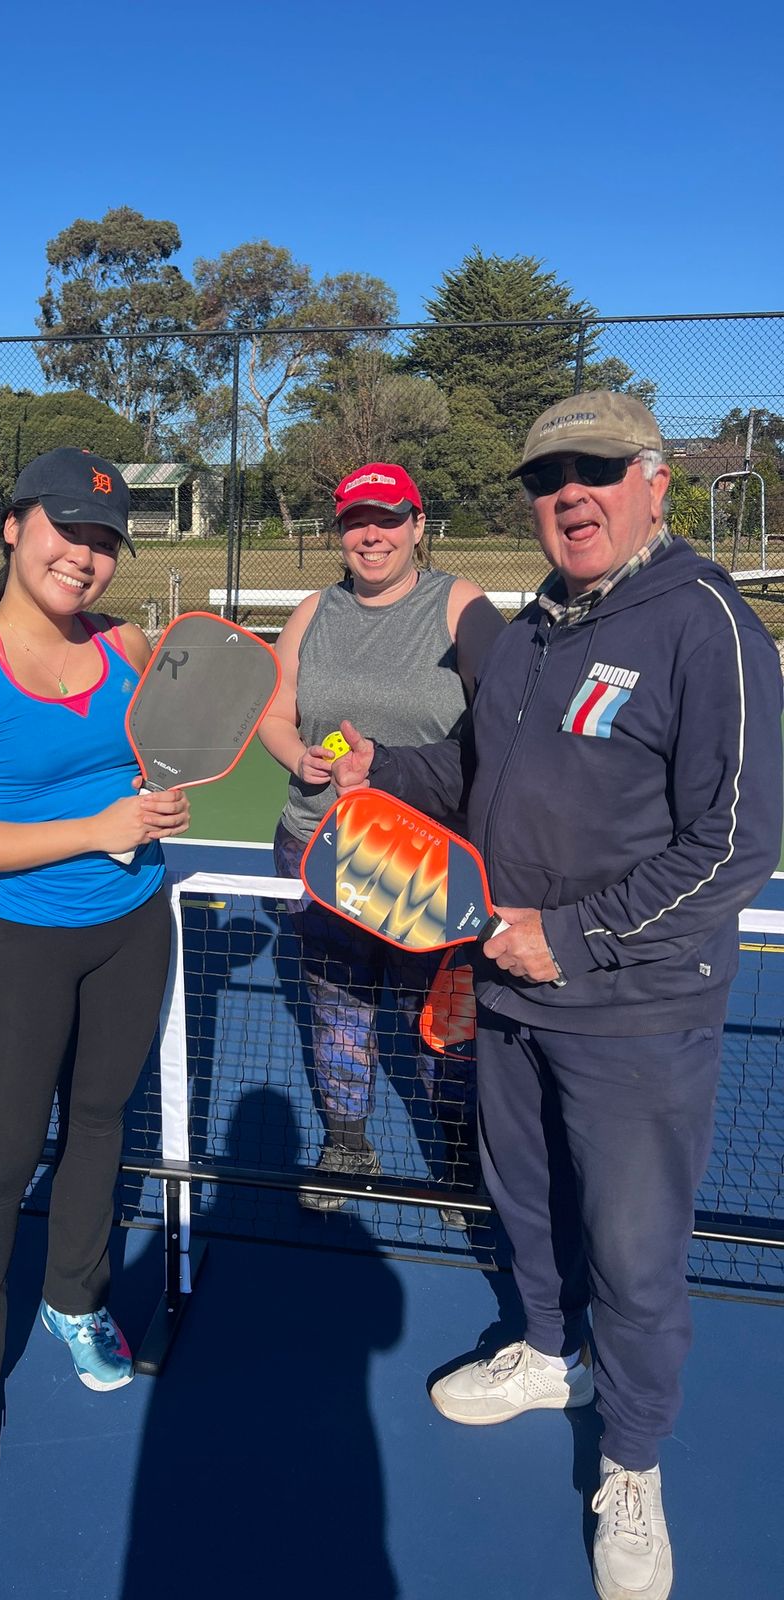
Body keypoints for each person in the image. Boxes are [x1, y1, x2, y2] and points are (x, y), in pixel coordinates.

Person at [331, 394, 783, 1600]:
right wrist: (390, 771)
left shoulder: (710, 628)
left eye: (593, 471)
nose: (568, 495)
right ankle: (542, 1351)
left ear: (652, 483)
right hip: (506, 986)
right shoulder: (531, 631)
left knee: (636, 1257)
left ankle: (630, 1463)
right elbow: (479, 769)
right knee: (519, 1194)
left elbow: (737, 843)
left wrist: (573, 938)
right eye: (547, 477)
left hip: (634, 1008)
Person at [0, 447, 189, 1501]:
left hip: (132, 927)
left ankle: (74, 1294)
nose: (88, 555)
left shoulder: (129, 644)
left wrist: (153, 811)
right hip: (21, 943)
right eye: (69, 530)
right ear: (15, 526)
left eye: (106, 540)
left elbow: (150, 771)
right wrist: (97, 827)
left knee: (104, 1123)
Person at [257, 463, 504, 1222]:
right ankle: (348, 1143)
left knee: (441, 1019)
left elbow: (503, 725)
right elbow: (274, 713)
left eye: (389, 519)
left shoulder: (459, 606)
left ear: (418, 525)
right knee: (338, 1005)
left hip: (424, 861)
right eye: (356, 520)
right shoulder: (313, 612)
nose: (372, 535)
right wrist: (297, 756)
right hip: (317, 848)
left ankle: (461, 1157)